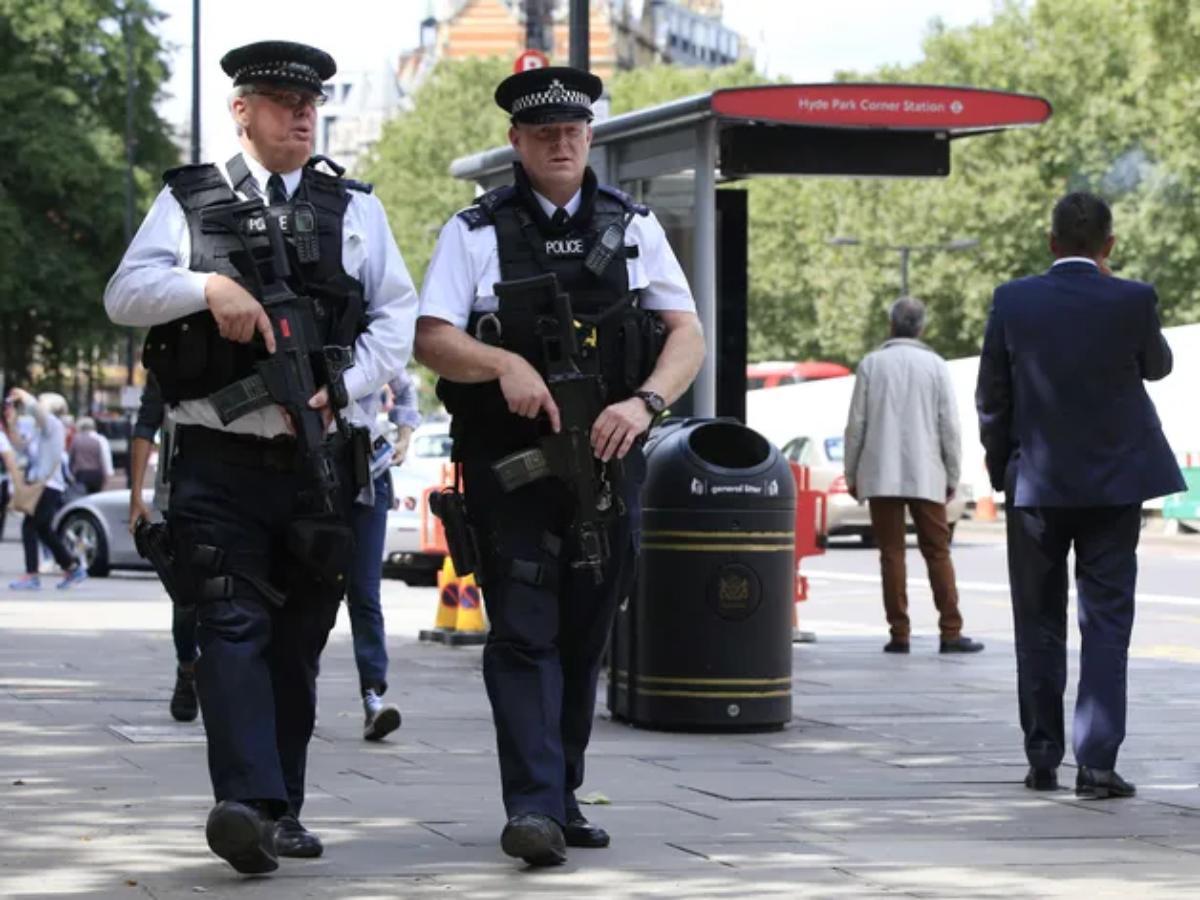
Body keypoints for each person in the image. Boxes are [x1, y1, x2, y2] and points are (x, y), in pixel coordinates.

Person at [104, 40, 416, 873]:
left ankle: (283, 807)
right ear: (241, 110)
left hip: (321, 461)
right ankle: (247, 804)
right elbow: (126, 291)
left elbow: (398, 317)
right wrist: (207, 287)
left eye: (311, 101)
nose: (302, 114)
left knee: (298, 642)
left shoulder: (354, 206)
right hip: (219, 460)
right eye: (282, 100)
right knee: (230, 626)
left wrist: (344, 384)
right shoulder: (190, 200)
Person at [416, 66, 705, 867]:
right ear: (517, 142)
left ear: (589, 137)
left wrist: (643, 402)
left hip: (609, 466)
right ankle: (533, 807)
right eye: (543, 133)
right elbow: (433, 336)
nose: (560, 142)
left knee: (583, 636)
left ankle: (563, 791)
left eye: (573, 130)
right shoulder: (474, 231)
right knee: (523, 636)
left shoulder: (634, 227)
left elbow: (685, 333)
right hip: (511, 471)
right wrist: (500, 363)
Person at [976, 192, 1184, 799]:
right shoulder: (1133, 298)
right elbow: (1159, 366)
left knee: (1038, 621)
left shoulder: (1013, 300)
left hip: (1036, 486)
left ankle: (1042, 757)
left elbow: (992, 398)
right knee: (1107, 622)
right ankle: (1096, 765)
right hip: (1114, 486)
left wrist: (1002, 470)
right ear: (1109, 247)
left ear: (1051, 242)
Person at [843, 298, 984, 656]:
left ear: (891, 325)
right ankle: (951, 631)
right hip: (927, 473)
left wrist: (853, 472)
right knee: (937, 552)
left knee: (891, 554)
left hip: (881, 473)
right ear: (921, 328)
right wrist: (952, 473)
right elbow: (948, 425)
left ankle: (899, 633)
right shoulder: (935, 365)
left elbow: (856, 425)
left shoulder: (871, 365)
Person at [341, 369, 415, 743]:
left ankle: (373, 696)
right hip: (311, 476)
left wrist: (404, 437)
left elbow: (405, 387)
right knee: (303, 593)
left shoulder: (375, 342)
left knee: (364, 592)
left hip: (369, 476)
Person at [128, 372, 198, 723]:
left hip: (239, 486)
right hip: (179, 493)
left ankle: (227, 674)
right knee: (185, 593)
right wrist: (136, 495)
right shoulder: (171, 352)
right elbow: (145, 425)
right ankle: (187, 669)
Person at [7, 389, 87, 590]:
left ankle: (32, 576)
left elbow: (36, 410)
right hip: (44, 485)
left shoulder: (53, 424)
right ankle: (72, 566)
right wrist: (10, 424)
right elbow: (22, 448)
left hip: (48, 485)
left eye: (42, 402)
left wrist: (24, 396)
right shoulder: (42, 429)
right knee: (43, 530)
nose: (37, 406)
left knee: (29, 527)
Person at [68, 418, 114, 494]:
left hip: (81, 473)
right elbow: (105, 457)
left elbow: (71, 457)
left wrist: (71, 473)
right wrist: (108, 473)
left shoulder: (76, 439)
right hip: (97, 473)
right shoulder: (100, 439)